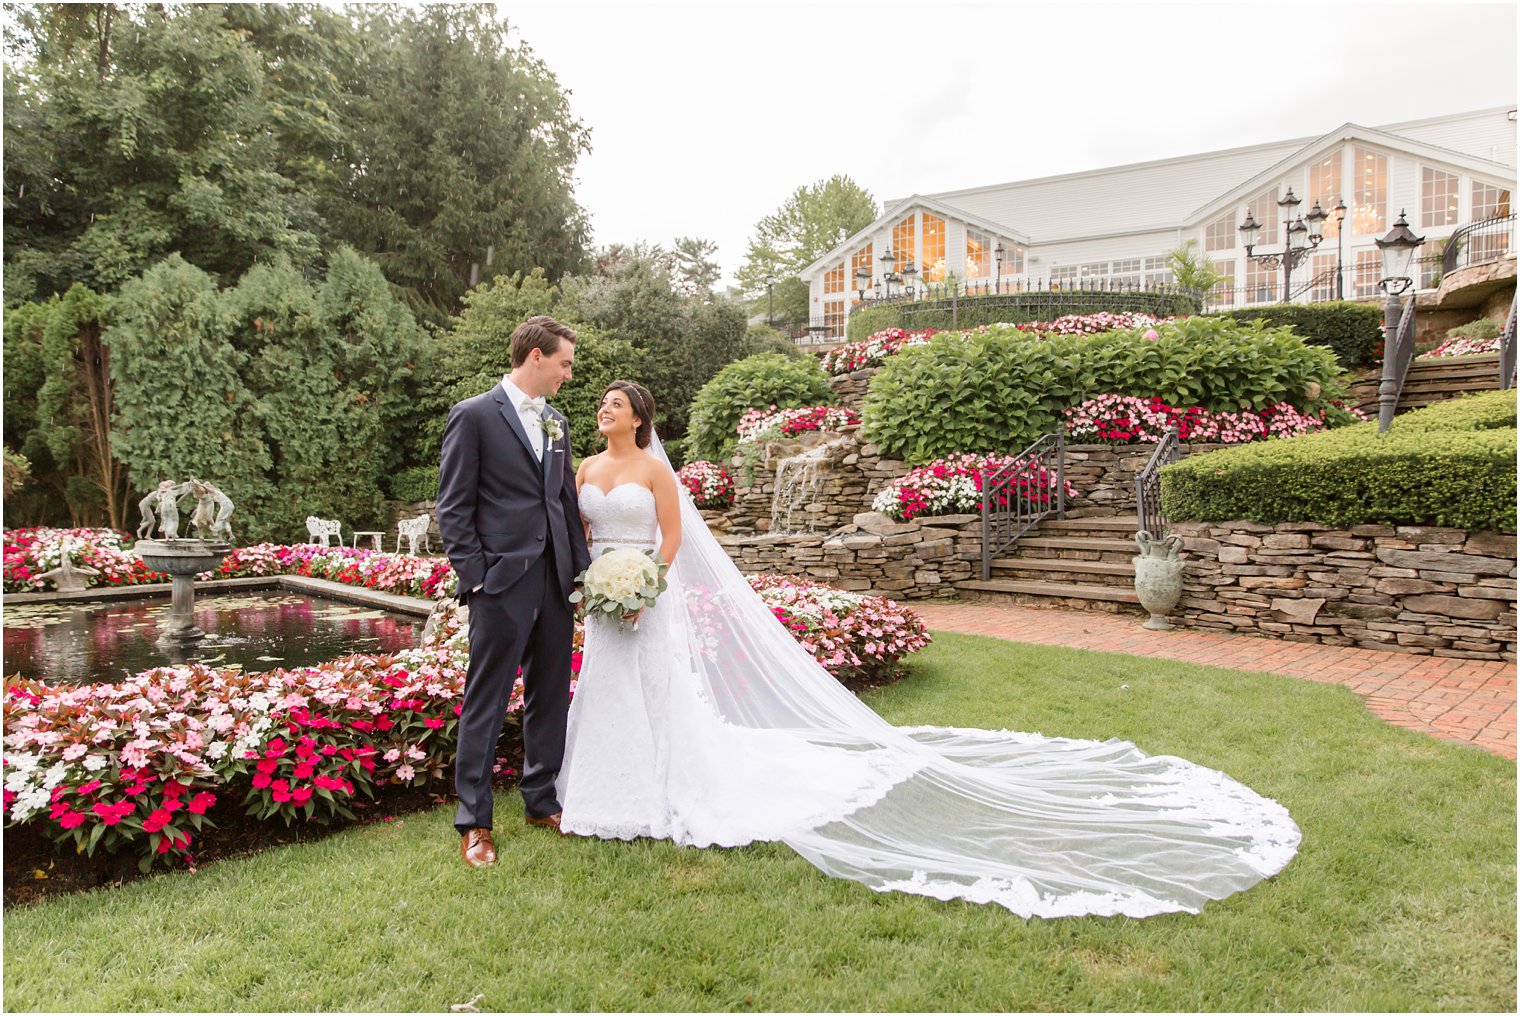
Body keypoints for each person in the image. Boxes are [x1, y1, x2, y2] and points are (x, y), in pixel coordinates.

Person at [557, 379, 1302, 918]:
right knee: (606, 691)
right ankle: (599, 794)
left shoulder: (655, 469)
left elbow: (676, 536)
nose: (604, 411)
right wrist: (597, 580)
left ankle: (666, 786)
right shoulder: (587, 468)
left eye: (615, 405)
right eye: (602, 405)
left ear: (640, 417)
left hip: (647, 595)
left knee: (654, 689)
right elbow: (584, 532)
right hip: (602, 596)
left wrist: (648, 578)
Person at [437, 315, 590, 869]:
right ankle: (475, 823)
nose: (568, 375)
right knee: (488, 697)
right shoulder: (474, 415)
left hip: (555, 580)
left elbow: (563, 503)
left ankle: (540, 800)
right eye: (565, 363)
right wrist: (476, 575)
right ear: (536, 358)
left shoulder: (556, 422)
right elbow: (453, 506)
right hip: (500, 581)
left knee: (550, 693)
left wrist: (582, 573)